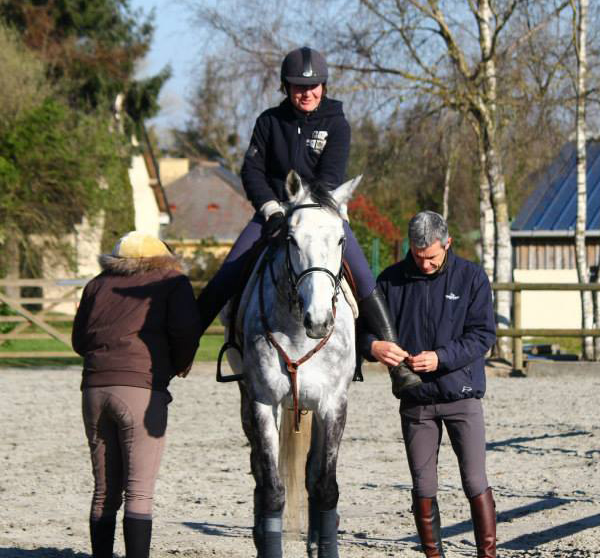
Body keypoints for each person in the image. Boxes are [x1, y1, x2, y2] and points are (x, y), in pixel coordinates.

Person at [195, 45, 419, 391]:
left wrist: (306, 208)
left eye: (313, 87)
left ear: (324, 87)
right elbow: (252, 170)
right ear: (286, 88)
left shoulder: (336, 123)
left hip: (320, 213)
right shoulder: (268, 122)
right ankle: (183, 349)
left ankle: (397, 366)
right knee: (229, 270)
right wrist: (270, 208)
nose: (307, 93)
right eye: (299, 87)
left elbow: (330, 177)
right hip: (274, 213)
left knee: (361, 273)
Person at [361, 211, 497, 557]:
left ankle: (488, 553)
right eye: (419, 257)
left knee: (474, 481)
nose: (424, 264)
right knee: (423, 484)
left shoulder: (471, 277)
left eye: (432, 258)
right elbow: (363, 328)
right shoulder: (390, 281)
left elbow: (483, 335)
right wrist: (372, 347)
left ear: (447, 243)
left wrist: (442, 358)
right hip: (415, 399)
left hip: (461, 396)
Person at [72, 231, 201, 558]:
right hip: (141, 388)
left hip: (94, 389)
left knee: (104, 491)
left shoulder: (97, 284)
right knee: (139, 492)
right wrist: (180, 363)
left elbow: (78, 341)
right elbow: (185, 331)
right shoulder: (172, 281)